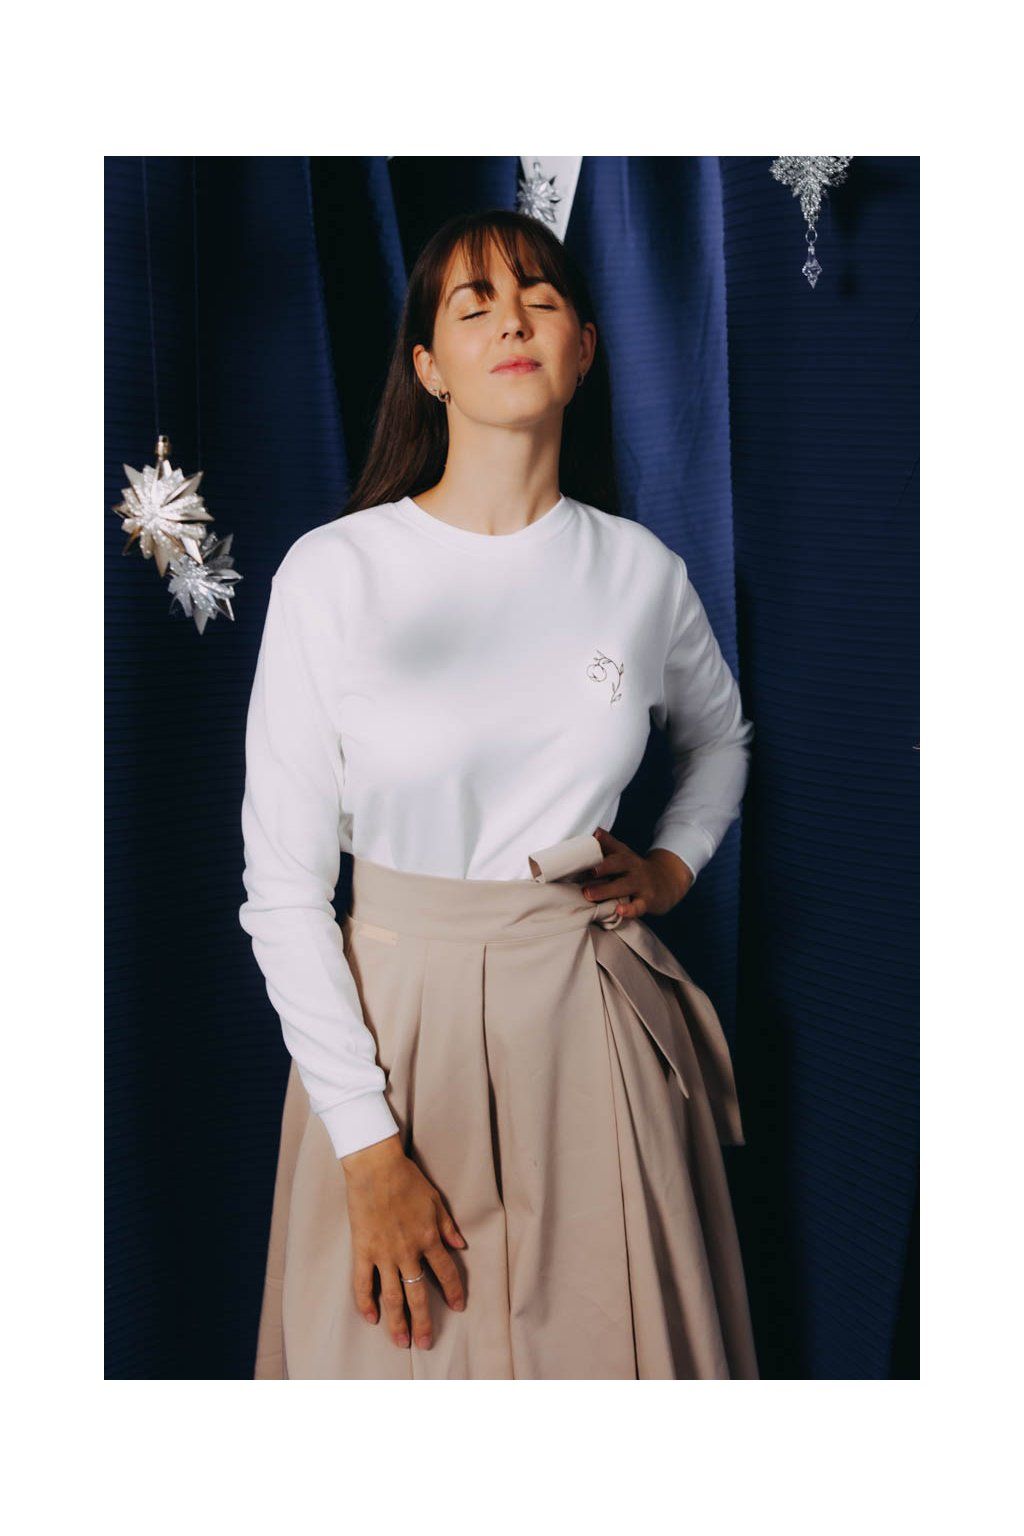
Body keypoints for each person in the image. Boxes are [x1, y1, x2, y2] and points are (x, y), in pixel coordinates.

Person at [239, 208, 759, 1379]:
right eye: (473, 306)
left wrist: (671, 863)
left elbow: (721, 740)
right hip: (391, 1041)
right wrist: (365, 1147)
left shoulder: (639, 571)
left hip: (591, 1025)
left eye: (540, 299)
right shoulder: (336, 571)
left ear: (584, 348)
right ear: (429, 368)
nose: (512, 323)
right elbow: (282, 889)